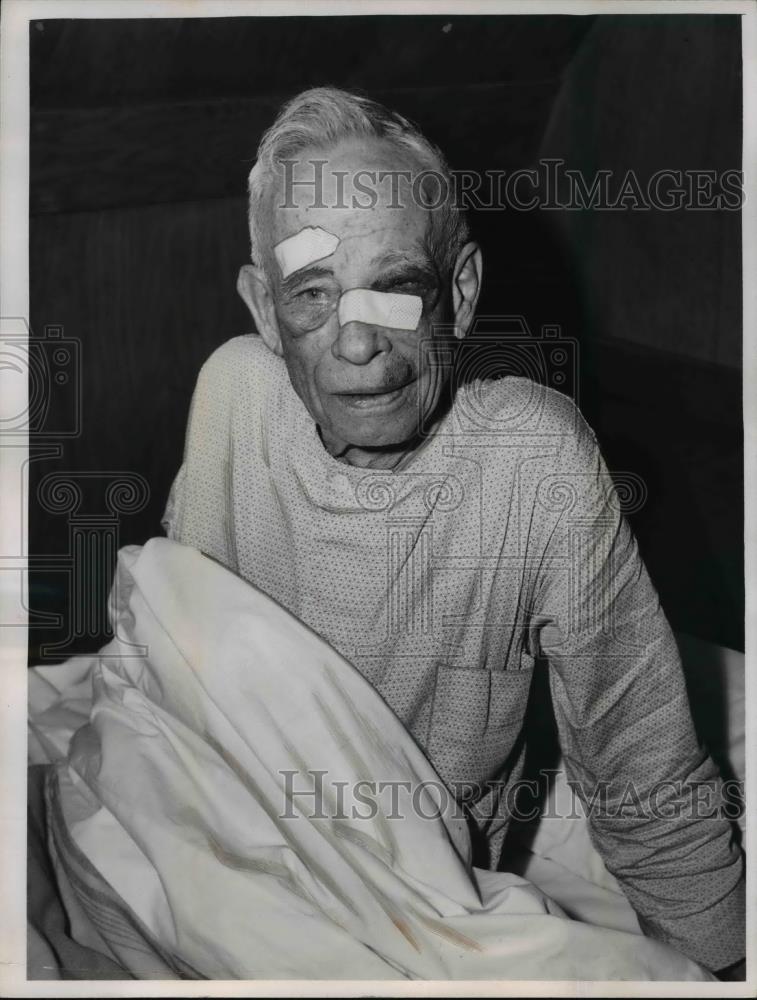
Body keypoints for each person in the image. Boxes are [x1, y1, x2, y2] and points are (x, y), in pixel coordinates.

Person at [162, 86, 745, 978]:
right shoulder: (233, 398)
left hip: (416, 917)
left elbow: (640, 764)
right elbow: (163, 689)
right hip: (219, 873)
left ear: (461, 294)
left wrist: (720, 971)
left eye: (395, 288)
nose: (357, 344)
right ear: (262, 311)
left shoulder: (532, 461)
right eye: (311, 295)